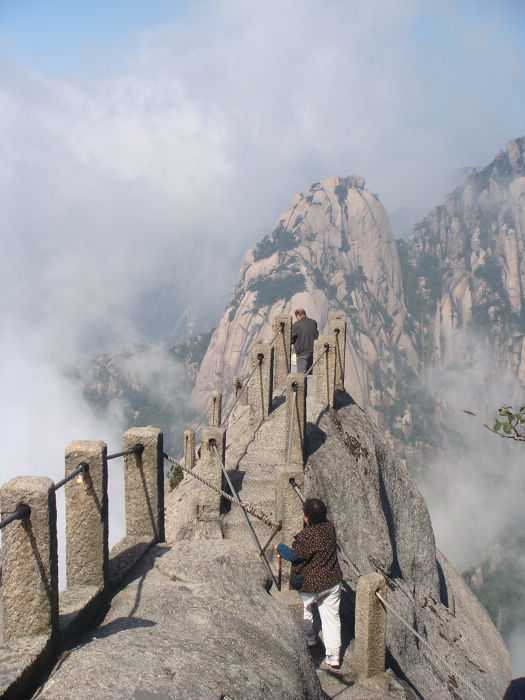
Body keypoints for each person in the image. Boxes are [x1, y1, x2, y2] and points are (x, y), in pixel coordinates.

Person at [275, 498, 343, 668]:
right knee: (332, 619)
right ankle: (334, 656)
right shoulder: (330, 527)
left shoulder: (307, 536)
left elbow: (293, 555)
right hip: (332, 580)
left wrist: (280, 547)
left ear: (307, 517)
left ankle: (309, 638)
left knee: (305, 610)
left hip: (310, 584)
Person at [291, 308, 319, 374]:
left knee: (301, 375)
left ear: (298, 316)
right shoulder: (313, 322)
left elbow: (291, 339)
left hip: (302, 353)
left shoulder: (296, 325)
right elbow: (316, 335)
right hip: (313, 352)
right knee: (310, 374)